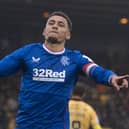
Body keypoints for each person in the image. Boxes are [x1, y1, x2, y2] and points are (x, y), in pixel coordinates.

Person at [0, 11, 128, 129]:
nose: (55, 26)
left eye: (61, 24)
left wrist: (111, 78)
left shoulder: (75, 58)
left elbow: (95, 70)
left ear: (68, 35)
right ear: (44, 31)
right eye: (51, 23)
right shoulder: (27, 52)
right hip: (26, 126)